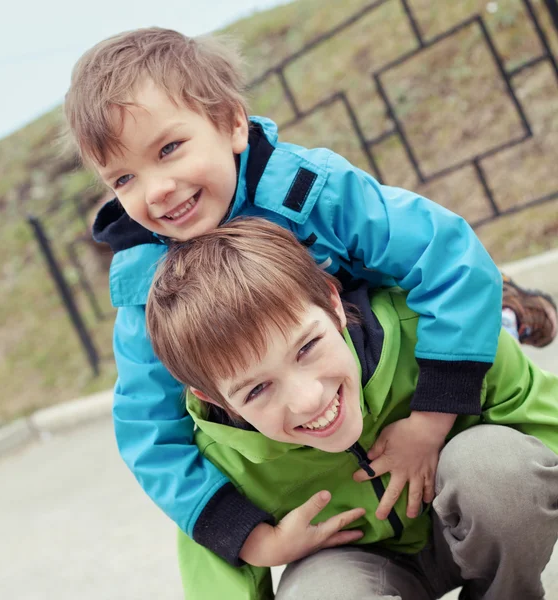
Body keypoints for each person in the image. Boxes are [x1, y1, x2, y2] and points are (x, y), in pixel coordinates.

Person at [63, 27, 558, 567]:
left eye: (170, 148)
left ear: (231, 123)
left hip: (387, 349)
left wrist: (431, 419)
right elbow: (148, 429)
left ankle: (505, 311)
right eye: (123, 178)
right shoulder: (146, 293)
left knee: (470, 320)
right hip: (319, 431)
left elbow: (443, 253)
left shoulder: (307, 191)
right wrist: (252, 539)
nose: (155, 189)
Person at [146, 217, 558, 600]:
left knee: (501, 471)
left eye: (307, 347)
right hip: (355, 570)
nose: (308, 400)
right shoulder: (220, 464)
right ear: (216, 401)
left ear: (333, 302)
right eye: (256, 391)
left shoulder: (436, 336)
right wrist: (257, 542)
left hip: (468, 528)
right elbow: (216, 585)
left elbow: (542, 422)